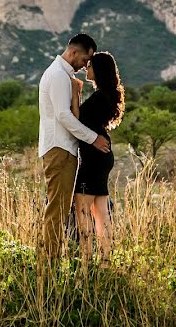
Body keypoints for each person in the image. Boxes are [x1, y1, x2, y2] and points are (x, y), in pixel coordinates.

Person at [38, 33, 111, 261]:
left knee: (59, 209)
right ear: (73, 52)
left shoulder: (63, 75)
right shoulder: (58, 75)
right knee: (57, 210)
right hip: (59, 150)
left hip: (63, 149)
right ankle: (49, 264)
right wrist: (93, 138)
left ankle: (53, 261)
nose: (85, 66)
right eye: (84, 60)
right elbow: (63, 116)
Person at [71, 51, 125, 265]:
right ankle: (105, 260)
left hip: (94, 156)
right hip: (102, 156)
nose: (86, 68)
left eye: (90, 65)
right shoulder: (106, 94)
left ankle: (86, 260)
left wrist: (75, 94)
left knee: (83, 210)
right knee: (101, 210)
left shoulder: (101, 96)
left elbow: (76, 120)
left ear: (99, 70)